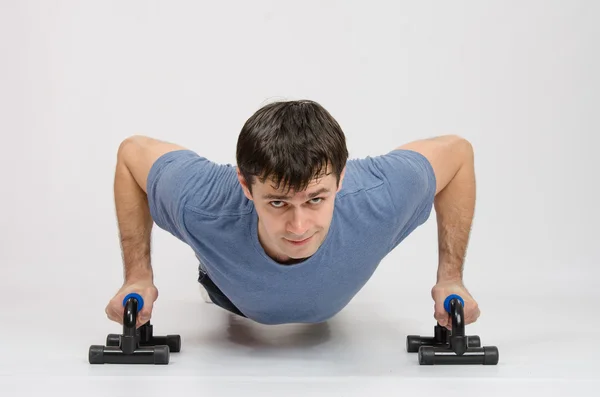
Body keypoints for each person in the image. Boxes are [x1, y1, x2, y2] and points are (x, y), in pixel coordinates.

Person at [105, 99, 481, 330]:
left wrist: (451, 279)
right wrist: (137, 278)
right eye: (278, 203)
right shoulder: (202, 204)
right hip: (231, 296)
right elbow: (132, 153)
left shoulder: (379, 197)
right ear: (245, 185)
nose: (299, 227)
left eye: (316, 199)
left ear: (342, 179)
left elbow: (457, 154)